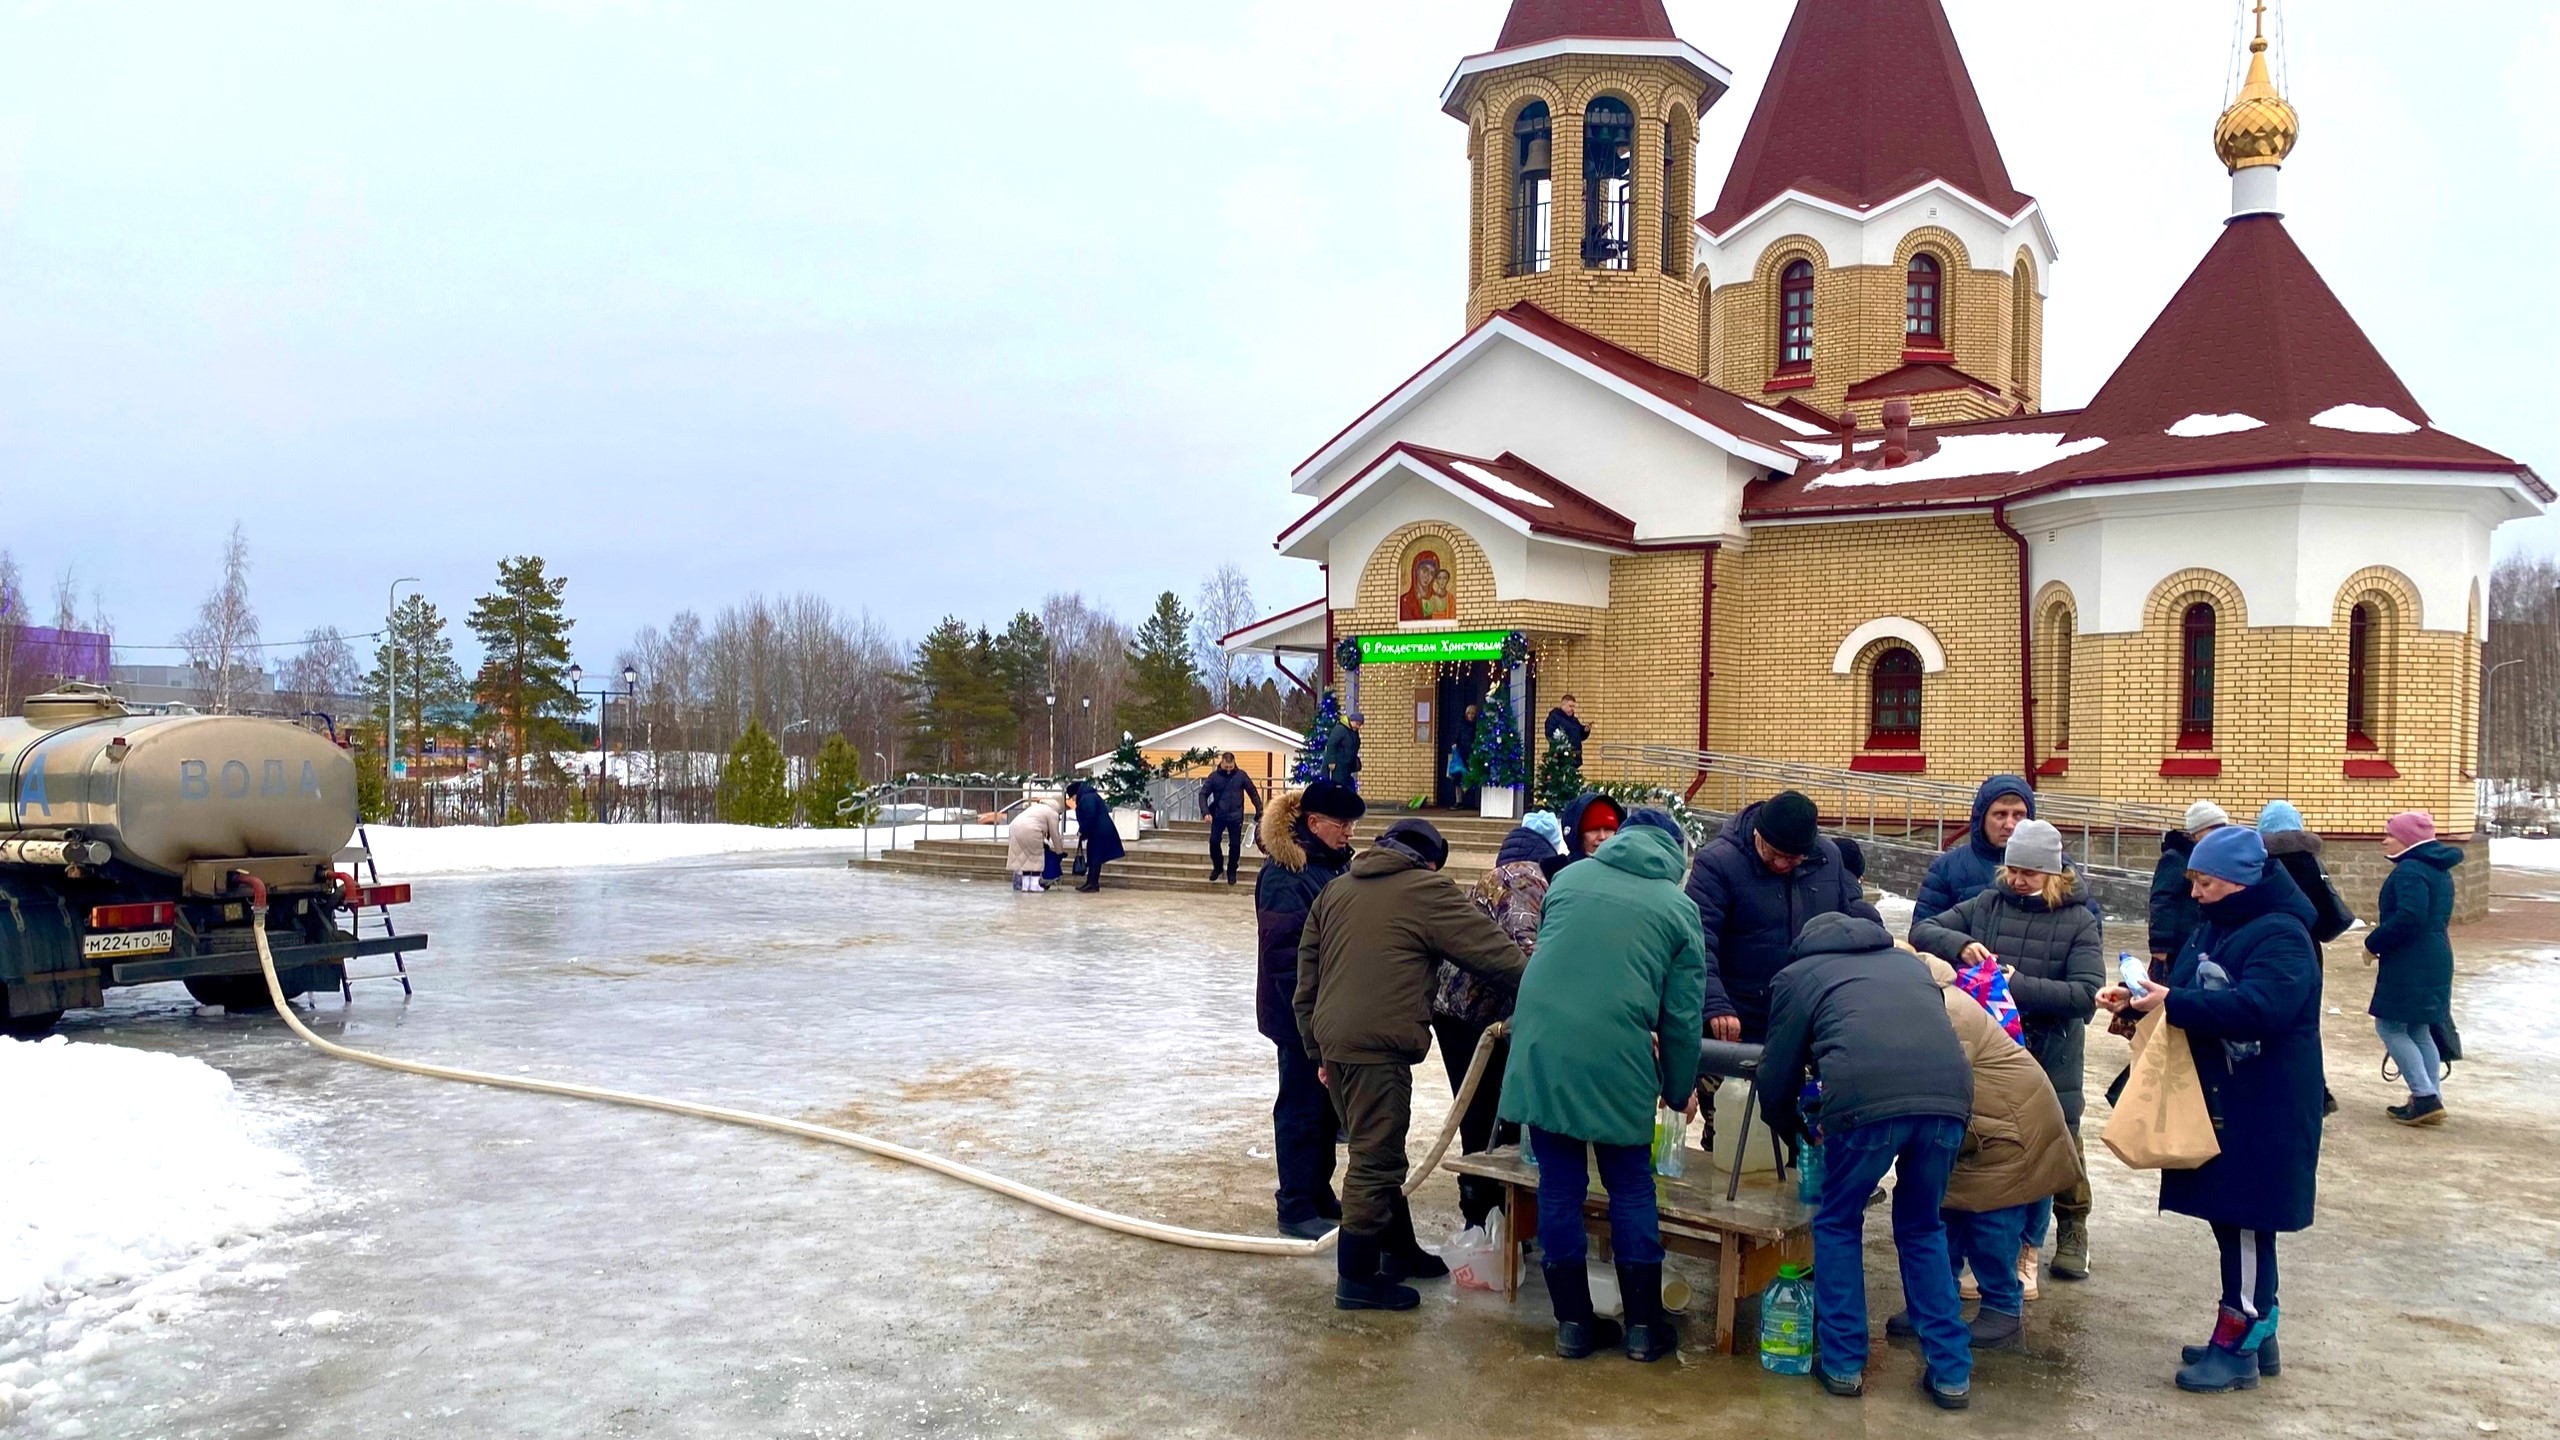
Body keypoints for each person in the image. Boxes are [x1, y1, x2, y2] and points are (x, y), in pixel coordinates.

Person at [2098, 825, 2324, 1395]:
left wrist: (2174, 1001)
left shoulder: (2281, 934)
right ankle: (2257, 1331)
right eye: (2192, 881)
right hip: (2224, 1098)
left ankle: (2240, 1340)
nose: (2194, 892)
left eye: (2204, 882)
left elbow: (2263, 1008)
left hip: (2262, 1106)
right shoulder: (2218, 923)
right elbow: (2191, 992)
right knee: (2234, 1220)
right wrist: (2143, 999)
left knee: (2247, 1223)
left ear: (2241, 881)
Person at [1498, 809, 1708, 1362]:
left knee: (1560, 1187)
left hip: (1541, 1048)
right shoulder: (1678, 908)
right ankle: (1642, 1329)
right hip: (1618, 1055)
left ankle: (1572, 1326)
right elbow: (1683, 1019)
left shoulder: (1568, 878)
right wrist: (1678, 1088)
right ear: (1675, 854)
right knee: (1631, 1186)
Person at [1295, 818, 1528, 1311]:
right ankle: (1356, 1280)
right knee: (1375, 1159)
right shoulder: (1425, 889)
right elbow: (1492, 953)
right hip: (1376, 1046)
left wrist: (1317, 1051)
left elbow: (1306, 977)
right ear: (1428, 860)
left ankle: (1397, 1249)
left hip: (1334, 1042)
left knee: (1374, 1145)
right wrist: (1548, 984)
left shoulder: (1336, 890)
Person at [1759, 913, 1976, 1409]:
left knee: (1837, 1222)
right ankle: (1951, 1374)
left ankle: (1842, 1365)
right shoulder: (1909, 964)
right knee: (1922, 1228)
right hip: (1949, 1101)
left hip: (1865, 1104)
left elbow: (1775, 1077)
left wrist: (1794, 1131)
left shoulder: (1799, 975)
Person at [1912, 819, 2103, 1290]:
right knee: (1988, 1151)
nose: (2018, 880)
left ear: (2053, 874)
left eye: (2030, 873)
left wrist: (2015, 986)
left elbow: (2085, 994)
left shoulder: (2078, 920)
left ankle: (2027, 1253)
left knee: (2037, 1159)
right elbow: (1924, 930)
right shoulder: (1987, 904)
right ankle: (1981, 1256)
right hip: (1990, 1057)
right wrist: (1962, 944)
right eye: (2012, 869)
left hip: (2049, 1058)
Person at [1892, 952, 2083, 1352]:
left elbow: (1937, 1080)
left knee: (1992, 1229)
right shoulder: (1924, 1002)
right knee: (1941, 1222)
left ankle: (2003, 1311)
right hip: (1974, 1131)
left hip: (2012, 1133)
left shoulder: (1948, 1012)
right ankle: (1933, 1304)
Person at [1254, 781, 1364, 1239]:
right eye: (1342, 824)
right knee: (1300, 1107)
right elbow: (1284, 958)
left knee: (1324, 1108)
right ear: (1314, 824)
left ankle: (1317, 1191)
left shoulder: (1331, 866)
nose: (1349, 832)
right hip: (1298, 1015)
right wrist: (1308, 1020)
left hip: (1328, 1012)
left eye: (1352, 824)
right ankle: (1295, 1203)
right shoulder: (1287, 874)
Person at [1685, 790, 1881, 1044]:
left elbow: (1841, 936)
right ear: (1757, 832)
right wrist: (1714, 1002)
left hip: (1809, 1015)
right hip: (1737, 1018)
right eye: (1770, 852)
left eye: (1791, 858)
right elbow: (1697, 941)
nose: (1779, 863)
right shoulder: (1717, 863)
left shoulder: (1828, 859)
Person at [1434, 822, 1552, 1229]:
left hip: (1463, 1012)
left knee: (1484, 1112)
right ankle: (1484, 1213)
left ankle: (1494, 1210)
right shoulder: (1522, 880)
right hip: (1473, 1019)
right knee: (1486, 1114)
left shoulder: (1498, 877)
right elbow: (1527, 951)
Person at [2364, 811, 2461, 1127]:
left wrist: (2373, 942)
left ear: (2408, 839)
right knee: (2418, 1028)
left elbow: (2410, 917)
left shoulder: (2410, 871)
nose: (2384, 839)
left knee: (2390, 1027)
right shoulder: (2438, 869)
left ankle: (2424, 1096)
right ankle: (2430, 1098)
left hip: (2411, 960)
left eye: (2389, 834)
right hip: (2435, 955)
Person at [1912, 775, 2102, 931]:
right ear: (1981, 819)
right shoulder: (1947, 868)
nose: (2010, 824)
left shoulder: (2058, 867)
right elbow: (1924, 933)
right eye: (2000, 814)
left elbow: (2089, 933)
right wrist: (1962, 949)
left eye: (2018, 815)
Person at [2257, 801, 2355, 948]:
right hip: (2307, 941)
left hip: (2265, 941)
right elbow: (2322, 905)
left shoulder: (2259, 862)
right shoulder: (2310, 861)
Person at [1198, 752, 1264, 885]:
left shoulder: (1241, 776)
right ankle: (1217, 867)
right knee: (1214, 842)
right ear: (1221, 763)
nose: (1228, 769)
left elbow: (1253, 792)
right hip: (1219, 815)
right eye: (1226, 766)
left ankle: (1232, 871)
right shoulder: (1214, 777)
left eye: (1231, 766)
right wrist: (1205, 812)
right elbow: (1203, 794)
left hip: (1235, 816)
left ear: (1234, 763)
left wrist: (1259, 809)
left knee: (1234, 845)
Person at [1537, 792, 1623, 879]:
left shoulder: (1627, 871)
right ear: (1578, 835)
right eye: (1593, 830)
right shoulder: (1553, 874)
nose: (1602, 836)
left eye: (1608, 829)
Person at [1064, 779, 1125, 893]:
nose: (1073, 800)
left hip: (1099, 832)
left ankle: (1092, 883)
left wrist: (1082, 830)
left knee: (1095, 857)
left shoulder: (1087, 798)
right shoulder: (1090, 796)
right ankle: (1091, 882)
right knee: (1094, 857)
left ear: (1076, 793)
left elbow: (1089, 816)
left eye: (1073, 798)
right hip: (1099, 831)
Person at [1004, 793, 1066, 893]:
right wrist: (1059, 851)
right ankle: (1034, 884)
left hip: (1014, 828)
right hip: (1031, 830)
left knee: (1024, 857)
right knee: (1036, 856)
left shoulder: (1038, 807)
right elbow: (1055, 834)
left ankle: (1025, 885)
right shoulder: (1052, 813)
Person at [1321, 709, 1364, 789]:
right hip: (1337, 766)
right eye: (1357, 724)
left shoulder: (1354, 732)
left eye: (1360, 725)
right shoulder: (1340, 729)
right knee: (1338, 788)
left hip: (1346, 767)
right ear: (1351, 721)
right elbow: (1331, 745)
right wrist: (1331, 761)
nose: (1358, 726)